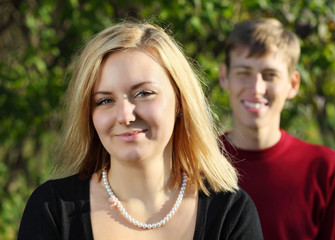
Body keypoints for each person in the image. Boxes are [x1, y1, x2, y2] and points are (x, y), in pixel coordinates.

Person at [18, 21, 263, 240]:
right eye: (104, 100)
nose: (125, 116)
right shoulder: (51, 209)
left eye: (144, 93)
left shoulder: (230, 213)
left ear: (180, 100)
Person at [218, 18, 335, 240]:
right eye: (244, 72)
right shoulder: (195, 163)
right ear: (224, 76)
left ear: (293, 84)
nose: (256, 88)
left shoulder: (325, 170)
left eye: (270, 75)